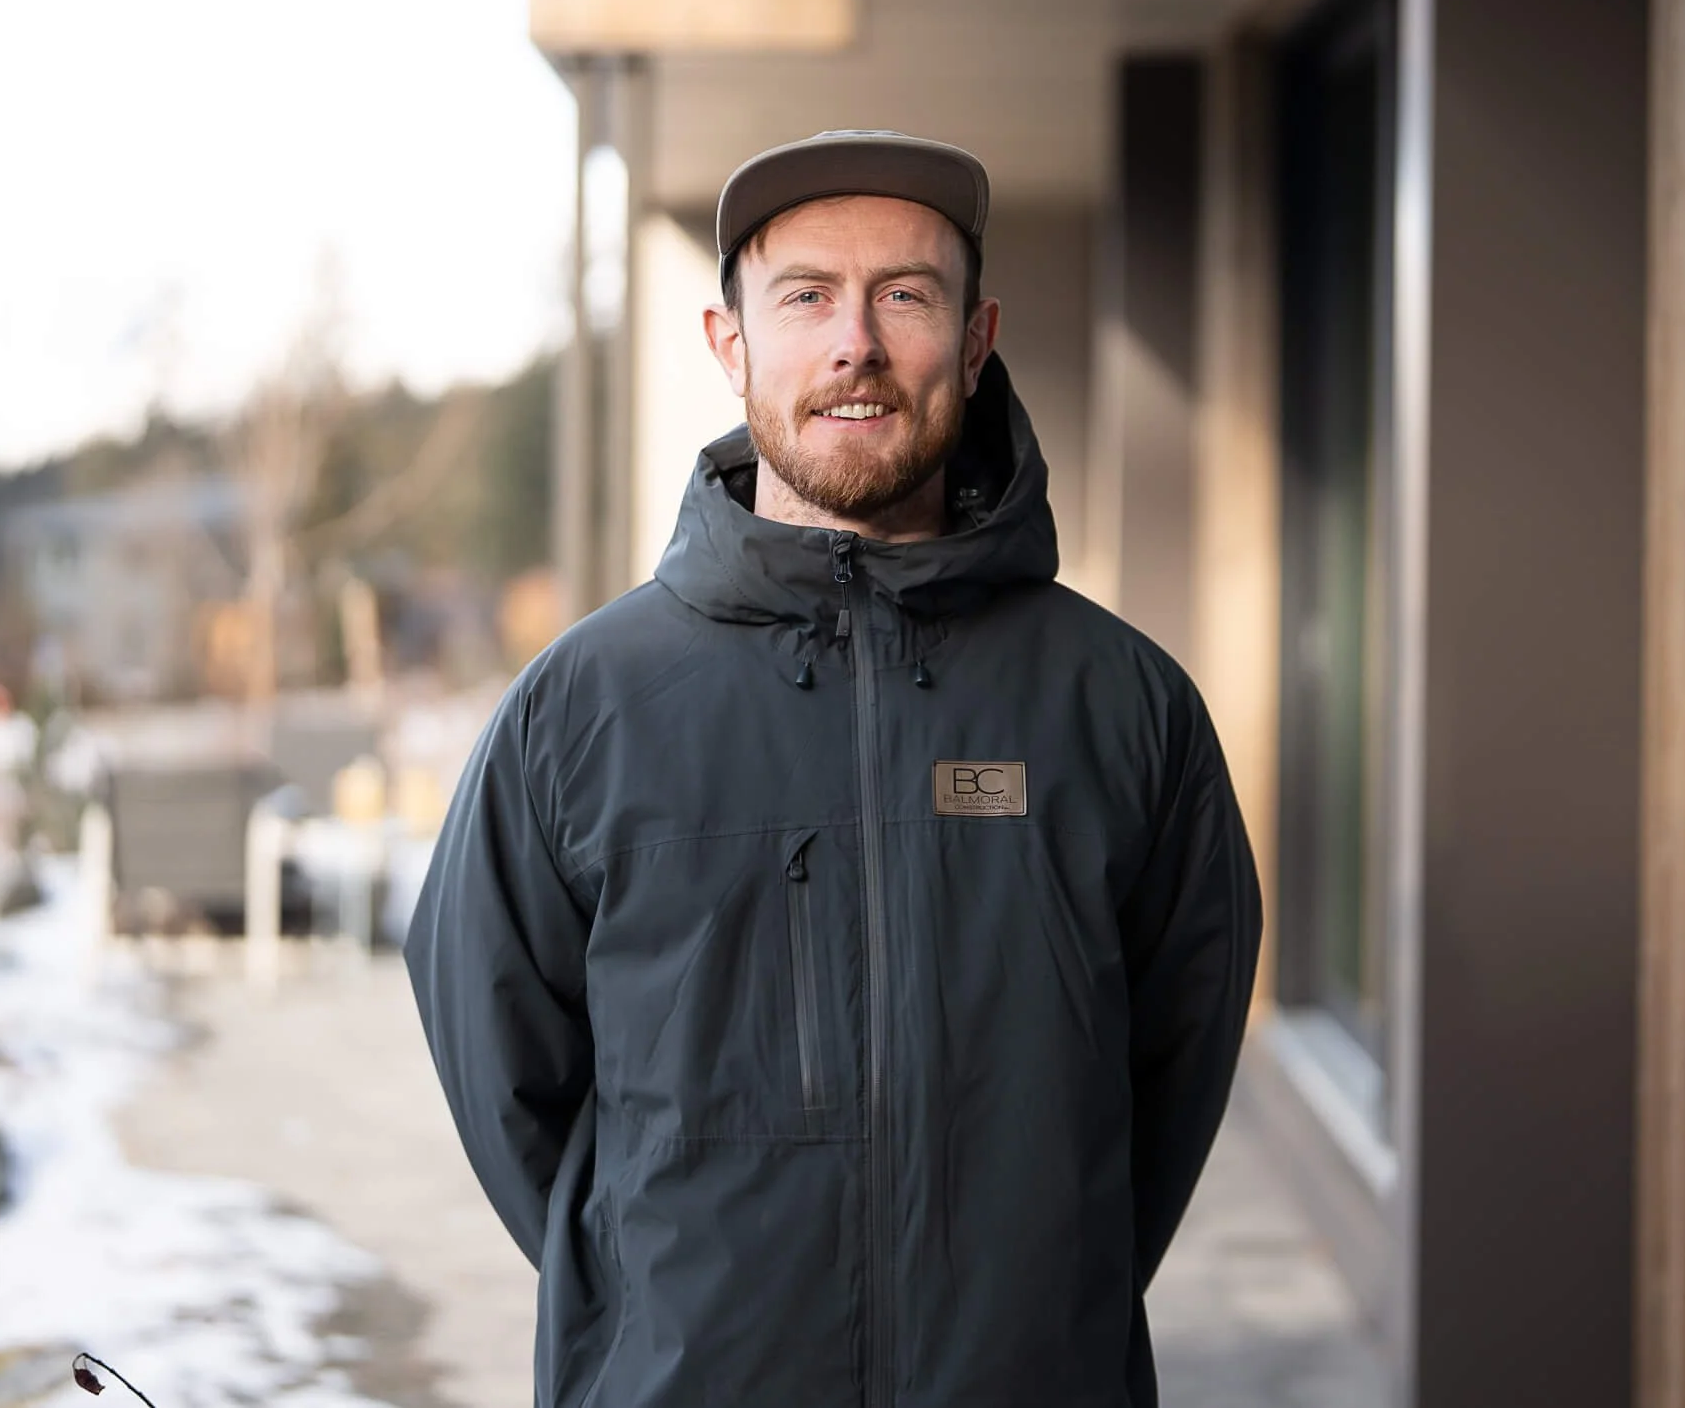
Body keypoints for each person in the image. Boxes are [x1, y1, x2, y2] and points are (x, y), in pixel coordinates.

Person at [404, 128, 1263, 1408]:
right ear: (729, 342)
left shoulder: (1122, 707)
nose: (854, 341)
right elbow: (503, 1064)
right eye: (804, 295)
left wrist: (1035, 1290)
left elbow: (1168, 1077)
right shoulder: (581, 708)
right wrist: (663, 1293)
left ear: (973, 342)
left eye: (904, 295)